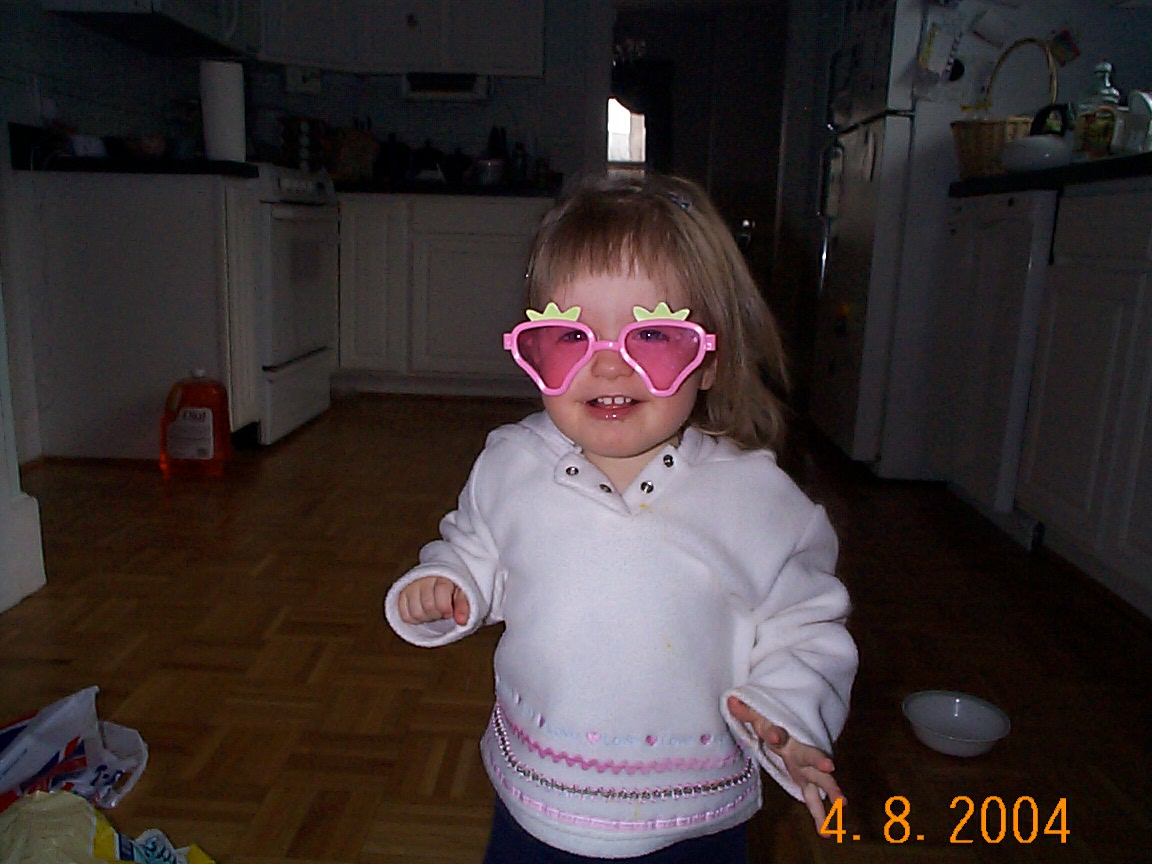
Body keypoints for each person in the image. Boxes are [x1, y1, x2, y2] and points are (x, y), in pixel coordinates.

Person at [384, 174, 857, 862]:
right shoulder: (512, 464)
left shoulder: (759, 502)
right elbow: (476, 544)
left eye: (653, 335)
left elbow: (805, 624)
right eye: (569, 337)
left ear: (710, 360)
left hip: (691, 814)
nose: (608, 366)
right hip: (540, 798)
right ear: (532, 351)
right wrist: (450, 580)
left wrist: (788, 712)